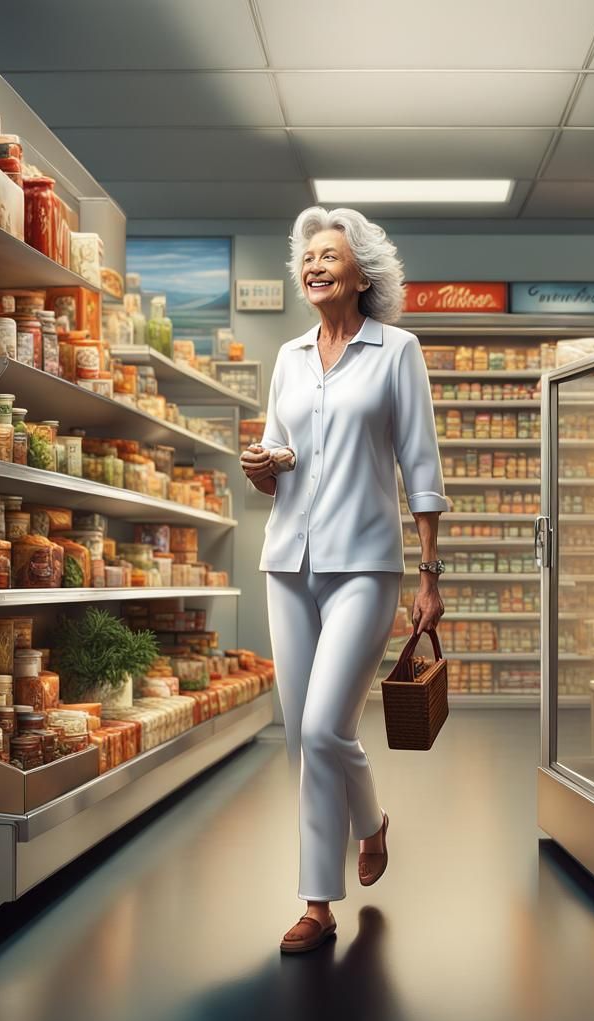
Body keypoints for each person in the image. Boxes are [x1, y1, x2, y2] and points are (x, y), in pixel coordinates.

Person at [240, 207, 447, 954]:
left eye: (330, 255)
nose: (315, 265)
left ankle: (327, 882)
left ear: (362, 274)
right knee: (303, 737)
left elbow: (420, 465)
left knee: (328, 727)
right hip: (287, 563)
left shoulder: (397, 351)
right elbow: (274, 460)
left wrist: (429, 574)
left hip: (364, 564)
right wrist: (260, 467)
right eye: (307, 257)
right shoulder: (290, 358)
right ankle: (324, 895)